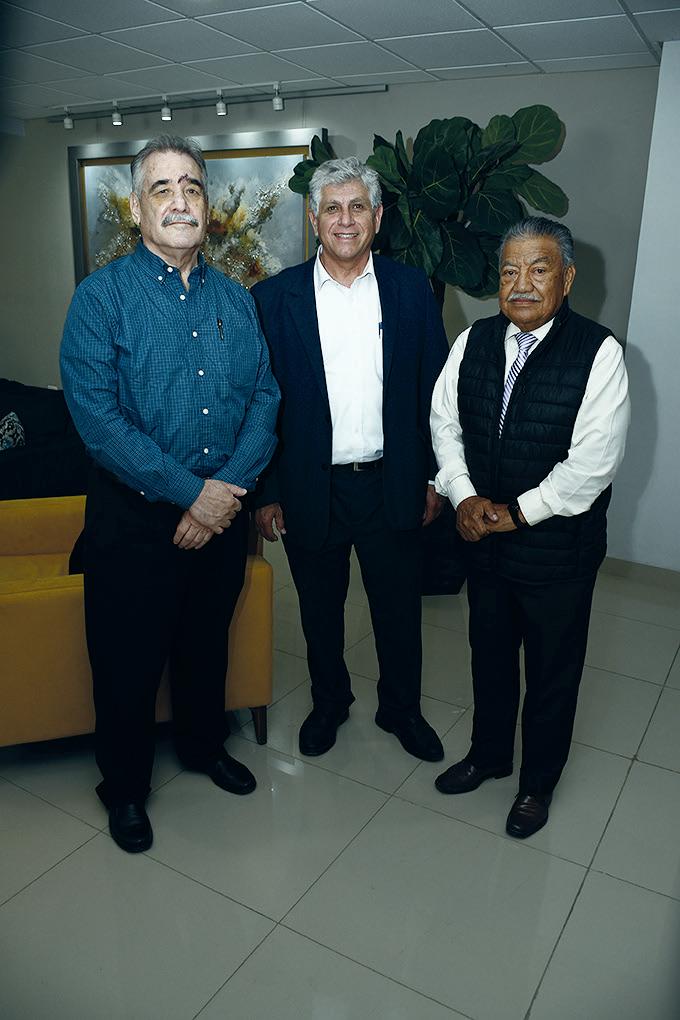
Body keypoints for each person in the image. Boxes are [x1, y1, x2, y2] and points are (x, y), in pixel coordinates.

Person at [60, 135, 280, 853]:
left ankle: (202, 745)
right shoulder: (100, 300)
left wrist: (222, 496)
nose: (180, 200)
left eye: (192, 186)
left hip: (221, 515)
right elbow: (99, 423)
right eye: (162, 187)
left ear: (207, 207)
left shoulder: (236, 300)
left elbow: (266, 400)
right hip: (133, 523)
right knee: (126, 664)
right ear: (136, 207)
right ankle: (124, 788)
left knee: (204, 646)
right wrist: (193, 495)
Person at [430, 216, 630, 838]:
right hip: (485, 547)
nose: (521, 284)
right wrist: (463, 496)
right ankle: (489, 755)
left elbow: (593, 464)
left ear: (566, 279)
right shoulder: (473, 341)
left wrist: (515, 514)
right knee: (489, 657)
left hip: (556, 553)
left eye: (538, 270)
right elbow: (445, 423)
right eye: (510, 271)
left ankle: (536, 784)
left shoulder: (599, 353)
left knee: (551, 674)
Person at [251, 157, 449, 763]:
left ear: (378, 217)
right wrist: (267, 492)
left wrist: (436, 478)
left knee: (398, 610)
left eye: (357, 207)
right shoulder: (273, 299)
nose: (345, 220)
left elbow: (436, 392)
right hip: (310, 487)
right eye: (332, 208)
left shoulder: (411, 289)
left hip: (394, 480)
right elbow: (259, 404)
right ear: (313, 219)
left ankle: (401, 709)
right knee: (319, 611)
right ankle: (329, 703)